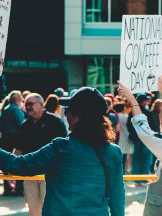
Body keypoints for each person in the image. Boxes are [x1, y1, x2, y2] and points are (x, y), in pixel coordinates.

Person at [0, 87, 125, 216]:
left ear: (77, 116)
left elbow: (19, 165)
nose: (66, 115)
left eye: (67, 111)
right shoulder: (113, 152)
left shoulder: (62, 147)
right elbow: (117, 198)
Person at [13, 93, 67, 216]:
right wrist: (11, 168)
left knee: (49, 208)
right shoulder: (25, 125)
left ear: (42, 104)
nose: (28, 107)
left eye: (31, 104)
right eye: (26, 104)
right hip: (29, 174)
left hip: (50, 174)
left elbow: (65, 148)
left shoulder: (55, 122)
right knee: (33, 211)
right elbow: (18, 149)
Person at [0, 90, 25, 195]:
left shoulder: (5, 109)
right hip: (15, 140)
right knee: (17, 163)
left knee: (5, 164)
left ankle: (7, 189)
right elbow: (23, 125)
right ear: (17, 99)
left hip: (5, 140)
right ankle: (18, 189)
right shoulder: (16, 110)